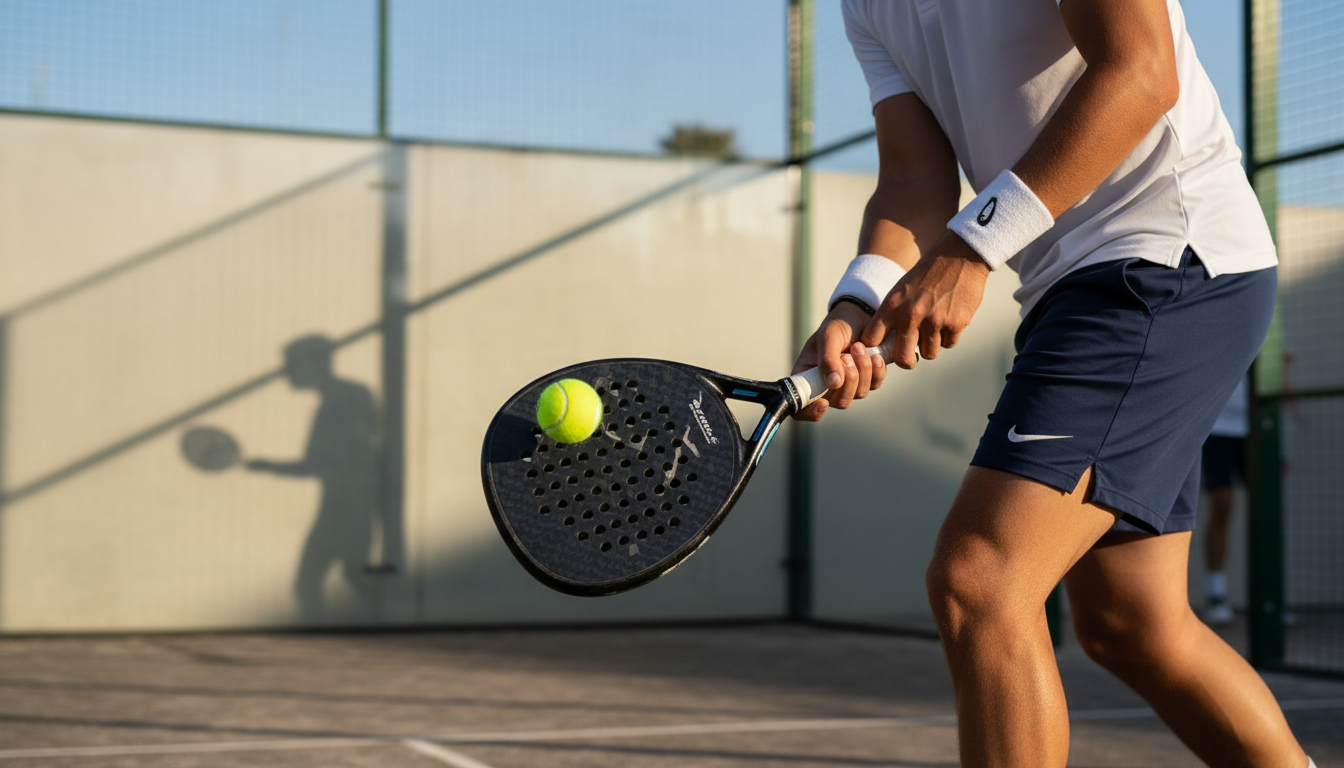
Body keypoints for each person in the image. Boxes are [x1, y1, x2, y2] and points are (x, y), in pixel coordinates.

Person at [793, 1, 1312, 765]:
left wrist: (970, 253)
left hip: (1168, 258)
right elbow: (912, 176)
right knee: (1133, 626)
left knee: (981, 580)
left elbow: (1141, 73)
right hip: (1071, 287)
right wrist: (859, 297)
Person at [1202, 376, 1249, 626]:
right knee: (1223, 506)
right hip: (1218, 427)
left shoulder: (1275, 336)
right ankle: (1216, 595)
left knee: (1268, 513)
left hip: (1258, 425)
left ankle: (1273, 602)